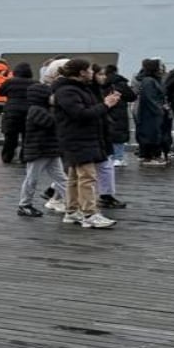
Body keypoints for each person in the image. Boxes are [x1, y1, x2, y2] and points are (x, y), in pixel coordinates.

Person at [52, 58, 121, 229]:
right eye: (90, 70)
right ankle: (90, 213)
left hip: (83, 137)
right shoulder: (68, 91)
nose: (93, 73)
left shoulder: (78, 89)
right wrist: (106, 105)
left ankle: (72, 210)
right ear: (82, 72)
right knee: (87, 177)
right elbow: (80, 114)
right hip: (77, 138)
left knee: (75, 177)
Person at [16, 81, 67, 217]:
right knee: (32, 178)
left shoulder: (40, 109)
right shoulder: (36, 110)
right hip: (39, 151)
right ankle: (24, 204)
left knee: (61, 178)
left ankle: (73, 203)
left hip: (49, 150)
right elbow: (51, 123)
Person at [95, 64, 133, 209]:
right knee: (81, 171)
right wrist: (106, 105)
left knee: (104, 167)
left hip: (101, 130)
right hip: (90, 135)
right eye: (99, 73)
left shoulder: (100, 88)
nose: (103, 77)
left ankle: (106, 196)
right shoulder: (115, 85)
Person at [0, 63, 35, 164]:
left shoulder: (10, 82)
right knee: (27, 136)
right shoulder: (35, 83)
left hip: (11, 112)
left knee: (10, 136)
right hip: (29, 112)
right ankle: (24, 157)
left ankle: (7, 157)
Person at [133, 58, 168, 165]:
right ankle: (151, 156)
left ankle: (148, 155)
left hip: (151, 112)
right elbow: (149, 98)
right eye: (160, 66)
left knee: (152, 133)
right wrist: (159, 109)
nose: (162, 69)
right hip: (150, 113)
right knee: (151, 133)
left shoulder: (152, 80)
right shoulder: (149, 81)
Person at [103, 64, 135, 167]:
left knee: (108, 133)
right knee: (119, 134)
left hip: (105, 110)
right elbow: (132, 96)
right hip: (120, 111)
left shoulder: (102, 83)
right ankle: (118, 158)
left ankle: (109, 156)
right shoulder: (120, 83)